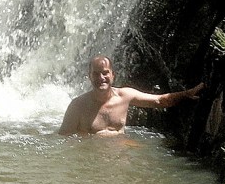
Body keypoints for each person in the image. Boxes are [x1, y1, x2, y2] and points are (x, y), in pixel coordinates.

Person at [57, 55, 205, 136]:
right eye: (96, 74)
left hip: (119, 156)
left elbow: (159, 101)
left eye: (105, 73)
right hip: (91, 160)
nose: (101, 78)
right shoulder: (78, 106)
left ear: (113, 75)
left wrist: (187, 94)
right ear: (89, 76)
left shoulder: (125, 96)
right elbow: (64, 138)